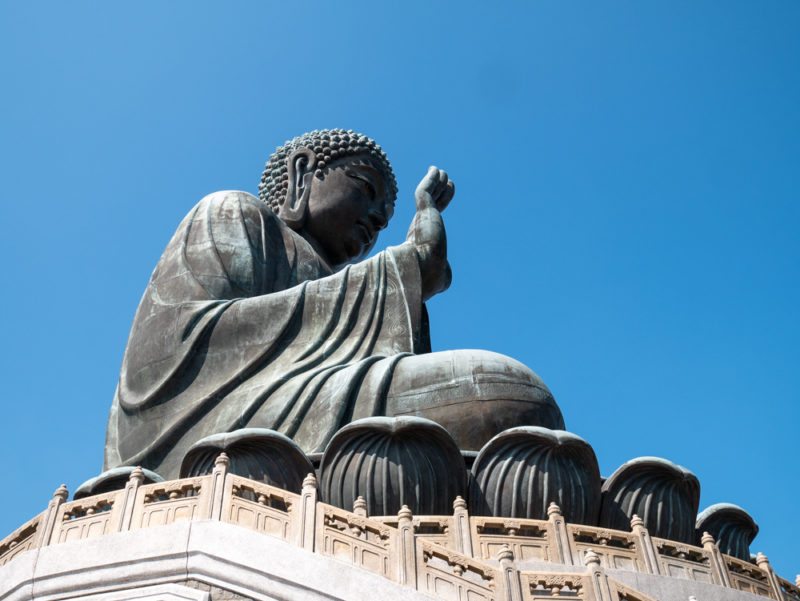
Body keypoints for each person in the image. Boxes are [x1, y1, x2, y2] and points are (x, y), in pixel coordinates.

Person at [105, 129, 564, 478]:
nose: (378, 219)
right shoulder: (236, 215)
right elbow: (171, 360)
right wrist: (393, 273)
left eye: (385, 220)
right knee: (506, 391)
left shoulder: (344, 280)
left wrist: (402, 266)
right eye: (365, 189)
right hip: (217, 430)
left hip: (324, 394)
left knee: (509, 399)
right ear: (303, 172)